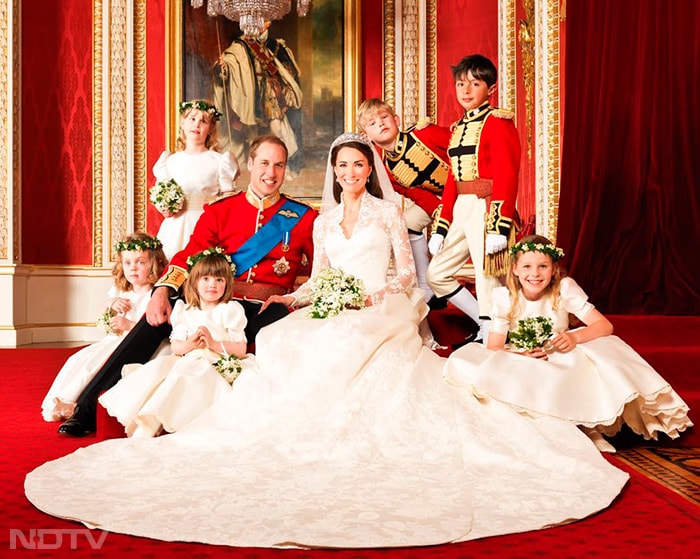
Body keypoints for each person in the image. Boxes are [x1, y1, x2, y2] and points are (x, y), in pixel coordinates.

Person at [26, 134, 628, 549]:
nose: (348, 174)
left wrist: (350, 296)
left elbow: (394, 276)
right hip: (268, 296)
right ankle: (103, 405)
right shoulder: (272, 215)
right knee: (261, 335)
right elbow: (291, 274)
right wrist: (271, 296)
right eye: (339, 167)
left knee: (319, 341)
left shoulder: (347, 216)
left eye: (358, 166)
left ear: (366, 169)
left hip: (358, 307)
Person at [56, 135, 317, 437]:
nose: (270, 173)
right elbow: (187, 257)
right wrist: (161, 292)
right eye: (264, 163)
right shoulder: (221, 211)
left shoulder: (303, 217)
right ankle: (87, 408)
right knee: (156, 319)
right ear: (249, 164)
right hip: (213, 298)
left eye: (279, 165)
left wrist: (295, 299)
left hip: (263, 309)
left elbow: (320, 268)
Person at [444, 235, 693, 452]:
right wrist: (522, 354)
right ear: (516, 270)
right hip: (524, 355)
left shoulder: (563, 289)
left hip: (559, 353)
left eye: (543, 266)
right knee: (485, 365)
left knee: (592, 356)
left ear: (553, 269)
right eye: (528, 266)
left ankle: (588, 427)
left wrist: (574, 337)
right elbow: (494, 347)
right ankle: (552, 430)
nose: (535, 273)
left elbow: (604, 326)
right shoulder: (504, 297)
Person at [99, 248, 254, 437]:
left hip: (216, 361)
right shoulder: (185, 310)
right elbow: (177, 347)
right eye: (205, 279)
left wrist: (213, 344)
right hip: (188, 357)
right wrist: (190, 344)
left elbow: (240, 348)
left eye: (219, 280)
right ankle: (146, 422)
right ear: (194, 282)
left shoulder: (230, 310)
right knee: (157, 374)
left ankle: (161, 421)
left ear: (227, 283)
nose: (212, 285)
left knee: (188, 377)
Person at [427, 54, 521, 345]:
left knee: (486, 275)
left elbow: (508, 174)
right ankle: (483, 323)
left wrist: (498, 225)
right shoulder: (458, 128)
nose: (465, 91)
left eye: (474, 84)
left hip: (487, 206)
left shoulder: (498, 122)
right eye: (460, 84)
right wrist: (441, 227)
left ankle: (491, 333)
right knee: (437, 273)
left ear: (489, 89)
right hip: (462, 207)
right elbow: (452, 180)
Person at [41, 234, 168, 422]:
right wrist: (111, 304)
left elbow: (153, 331)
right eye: (127, 263)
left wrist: (128, 325)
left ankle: (78, 404)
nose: (133, 268)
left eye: (140, 262)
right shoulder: (121, 290)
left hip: (134, 344)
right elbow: (102, 318)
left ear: (154, 263)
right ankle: (64, 399)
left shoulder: (156, 294)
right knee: (79, 359)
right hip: (113, 339)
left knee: (98, 365)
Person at [356, 98, 454, 306]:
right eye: (372, 123)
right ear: (366, 136)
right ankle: (426, 287)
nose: (380, 124)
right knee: (405, 223)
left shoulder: (423, 134)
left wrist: (447, 214)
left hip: (466, 191)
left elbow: (460, 153)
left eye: (384, 117)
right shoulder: (388, 170)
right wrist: (440, 212)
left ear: (396, 119)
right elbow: (419, 195)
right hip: (439, 201)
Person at [212, 22, 304, 176]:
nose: (257, 24)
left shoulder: (276, 45)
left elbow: (287, 70)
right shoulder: (240, 45)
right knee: (252, 134)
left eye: (262, 20)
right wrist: (222, 69)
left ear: (268, 23)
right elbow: (229, 65)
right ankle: (256, 169)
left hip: (270, 92)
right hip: (251, 96)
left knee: (278, 129)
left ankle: (283, 164)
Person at [152, 99, 240, 260]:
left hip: (206, 225)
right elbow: (161, 192)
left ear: (211, 128)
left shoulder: (219, 161)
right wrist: (165, 207)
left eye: (203, 121)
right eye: (192, 119)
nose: (197, 125)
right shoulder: (170, 161)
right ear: (183, 123)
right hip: (176, 226)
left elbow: (229, 201)